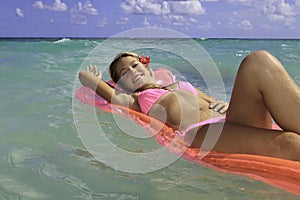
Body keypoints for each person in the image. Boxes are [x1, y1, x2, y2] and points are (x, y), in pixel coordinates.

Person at [79, 50, 300, 161]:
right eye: (124, 74)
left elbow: (213, 102)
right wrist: (90, 78)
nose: (133, 72)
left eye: (135, 65)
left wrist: (222, 105)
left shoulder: (181, 84)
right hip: (201, 133)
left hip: (228, 121)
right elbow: (102, 90)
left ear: (148, 68)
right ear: (122, 86)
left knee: (258, 61)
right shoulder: (138, 99)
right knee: (290, 143)